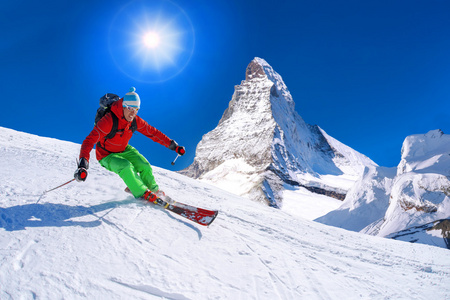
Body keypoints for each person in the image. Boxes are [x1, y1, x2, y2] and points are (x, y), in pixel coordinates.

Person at [74, 87, 185, 202]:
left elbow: (153, 133)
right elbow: (89, 141)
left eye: (136, 109)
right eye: (130, 108)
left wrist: (173, 146)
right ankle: (142, 192)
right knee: (126, 166)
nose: (133, 113)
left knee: (144, 165)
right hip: (106, 155)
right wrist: (83, 163)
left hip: (124, 149)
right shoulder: (108, 120)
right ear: (123, 105)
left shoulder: (135, 120)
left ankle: (154, 190)